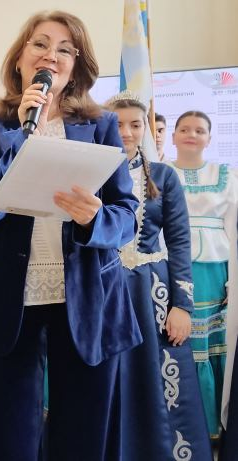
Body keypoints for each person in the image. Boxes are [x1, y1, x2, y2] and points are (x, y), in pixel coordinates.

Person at [0, 11, 140, 460]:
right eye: (40, 44)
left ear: (75, 67)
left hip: (90, 298)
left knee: (83, 437)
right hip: (10, 300)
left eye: (65, 49)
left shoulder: (101, 126)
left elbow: (126, 216)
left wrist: (94, 219)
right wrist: (24, 136)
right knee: (8, 440)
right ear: (20, 58)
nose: (51, 55)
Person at [106, 92, 213, 460]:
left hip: (153, 293)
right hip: (107, 292)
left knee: (163, 379)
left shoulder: (164, 176)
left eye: (135, 124)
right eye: (118, 124)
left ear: (146, 129)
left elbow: (180, 242)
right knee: (108, 381)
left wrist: (182, 306)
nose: (126, 132)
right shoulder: (93, 174)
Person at [166, 110, 238, 442]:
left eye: (199, 130)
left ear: (209, 138)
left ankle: (211, 425)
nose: (191, 135)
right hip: (173, 266)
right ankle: (179, 423)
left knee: (211, 344)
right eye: (184, 129)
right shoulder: (161, 172)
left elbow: (233, 228)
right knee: (181, 341)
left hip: (214, 269)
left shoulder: (226, 175)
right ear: (174, 136)